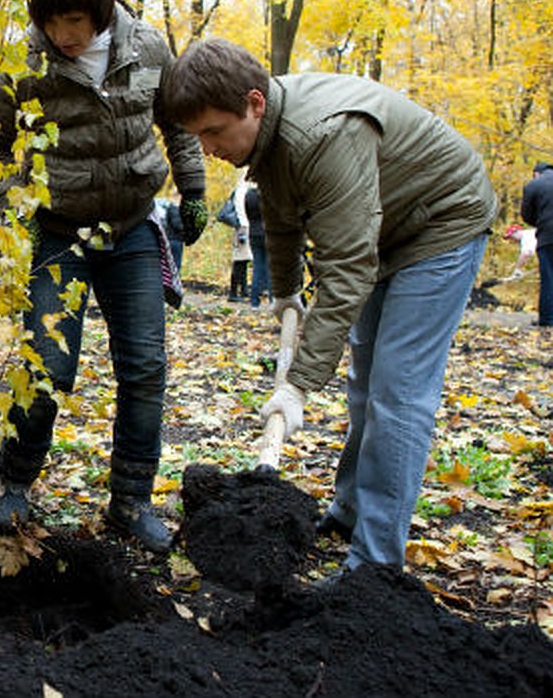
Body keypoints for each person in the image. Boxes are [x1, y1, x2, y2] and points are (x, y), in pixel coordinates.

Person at [160, 37, 496, 575]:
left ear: (254, 103)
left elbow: (347, 271)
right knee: (365, 384)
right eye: (197, 136)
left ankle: (374, 565)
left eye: (213, 132)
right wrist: (288, 289)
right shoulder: (268, 141)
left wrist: (296, 387)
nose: (206, 149)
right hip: (385, 231)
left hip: (441, 223)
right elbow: (284, 218)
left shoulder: (322, 134)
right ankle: (348, 512)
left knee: (398, 393)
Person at [0, 0, 207, 553]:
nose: (63, 36)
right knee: (49, 366)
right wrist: (11, 206)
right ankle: (15, 486)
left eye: (74, 22)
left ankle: (130, 500)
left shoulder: (149, 48)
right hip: (58, 231)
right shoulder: (24, 61)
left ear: (101, 11)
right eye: (51, 23)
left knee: (145, 366)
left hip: (132, 227)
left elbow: (179, 123)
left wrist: (194, 189)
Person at [520, 161, 553, 326]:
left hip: (548, 236)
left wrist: (540, 223)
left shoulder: (533, 185)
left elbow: (526, 215)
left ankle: (547, 320)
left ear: (536, 173)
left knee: (548, 278)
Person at [245, 183, 269, 308]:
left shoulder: (249, 195)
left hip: (253, 233)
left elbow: (247, 214)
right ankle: (272, 299)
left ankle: (254, 301)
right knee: (270, 267)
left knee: (257, 266)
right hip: (268, 232)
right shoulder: (268, 194)